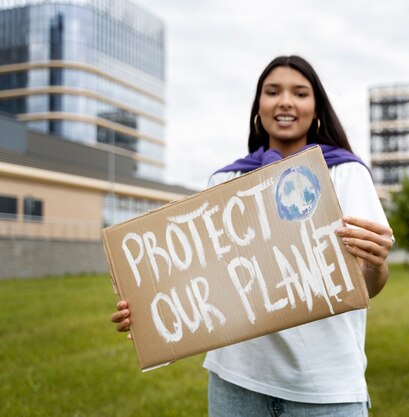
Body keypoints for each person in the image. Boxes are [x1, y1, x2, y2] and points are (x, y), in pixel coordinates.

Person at [111, 55, 394, 417]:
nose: (285, 101)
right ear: (258, 108)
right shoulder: (225, 183)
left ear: (316, 108)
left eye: (300, 93)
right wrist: (147, 310)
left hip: (325, 386)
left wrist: (377, 264)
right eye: (272, 91)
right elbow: (201, 280)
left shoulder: (345, 175)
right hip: (237, 382)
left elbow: (368, 285)